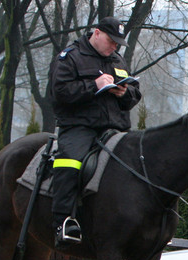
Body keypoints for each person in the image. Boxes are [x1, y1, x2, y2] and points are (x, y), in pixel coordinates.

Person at [49, 16, 141, 246]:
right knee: (69, 162)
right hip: (80, 126)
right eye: (111, 40)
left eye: (118, 43)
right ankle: (64, 222)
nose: (114, 47)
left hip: (116, 128)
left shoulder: (117, 60)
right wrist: (94, 86)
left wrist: (124, 93)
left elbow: (135, 94)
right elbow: (59, 92)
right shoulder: (70, 57)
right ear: (97, 33)